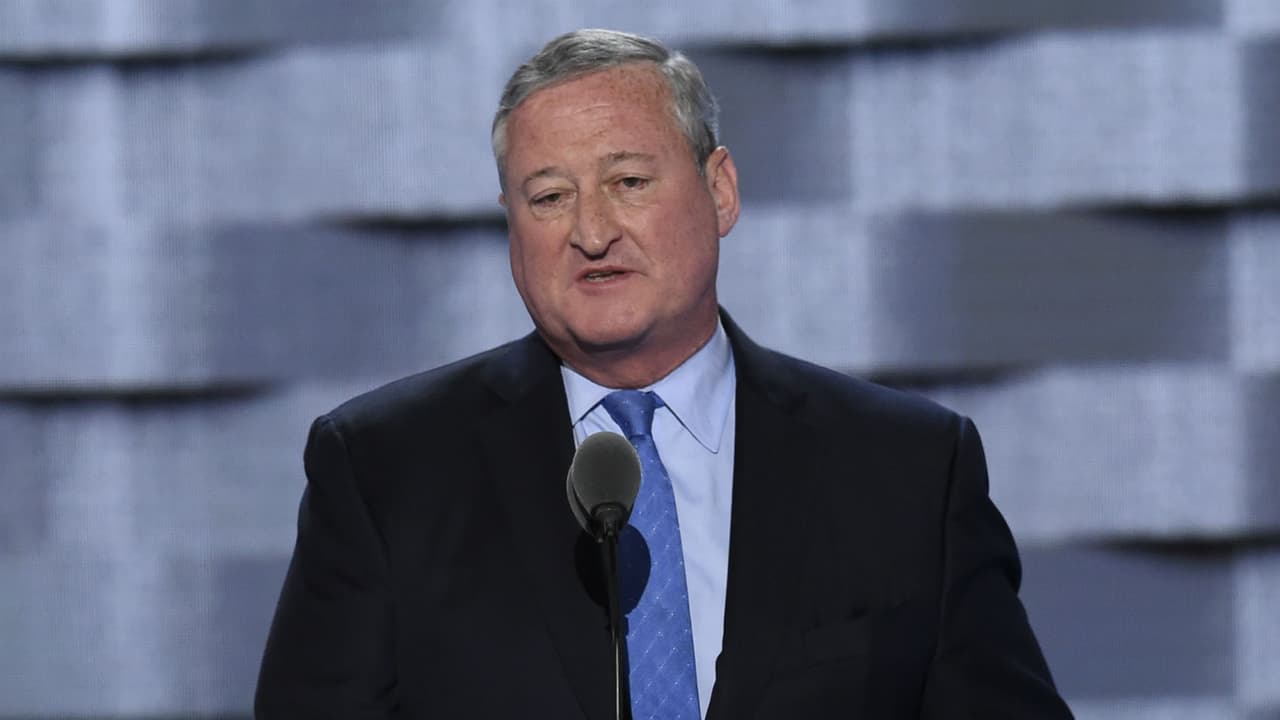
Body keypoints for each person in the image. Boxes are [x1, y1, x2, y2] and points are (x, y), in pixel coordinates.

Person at [256, 28, 1073, 719]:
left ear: (720, 192)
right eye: (548, 197)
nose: (591, 231)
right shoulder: (385, 469)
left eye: (629, 182)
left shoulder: (907, 468)